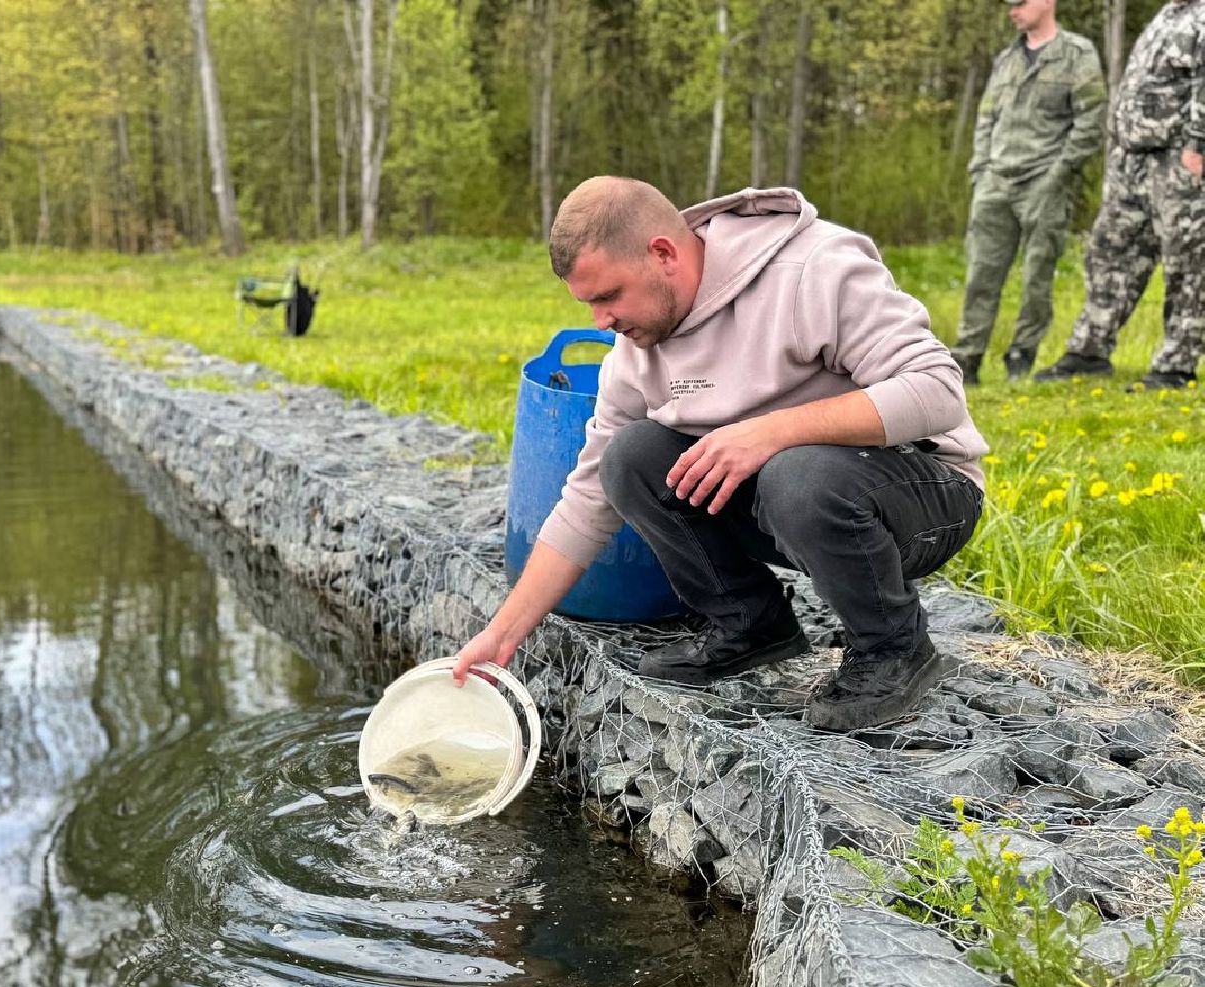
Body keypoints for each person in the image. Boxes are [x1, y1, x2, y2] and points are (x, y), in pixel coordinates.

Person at [453, 177, 989, 734]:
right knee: (632, 457)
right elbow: (587, 498)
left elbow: (938, 391)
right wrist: (505, 632)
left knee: (795, 472)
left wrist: (769, 432)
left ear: (663, 253)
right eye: (589, 304)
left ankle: (893, 648)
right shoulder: (635, 354)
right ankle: (750, 623)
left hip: (921, 495)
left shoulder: (812, 269)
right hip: (791, 502)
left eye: (608, 296)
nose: (601, 322)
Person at [1034, 0, 1204, 388]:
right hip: (1133, 160)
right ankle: (1089, 350)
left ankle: (1175, 364)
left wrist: (1198, 145)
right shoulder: (1166, 14)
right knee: (1110, 252)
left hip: (1179, 159)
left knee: (1187, 263)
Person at [952, 0, 1105, 385]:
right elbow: (986, 119)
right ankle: (968, 357)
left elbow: (1091, 120)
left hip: (1045, 181)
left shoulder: (1077, 53)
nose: (1012, 10)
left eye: (1020, 3)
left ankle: (1022, 356)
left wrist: (1059, 173)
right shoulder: (1006, 59)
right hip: (996, 182)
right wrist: (981, 171)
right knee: (980, 274)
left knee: (1038, 276)